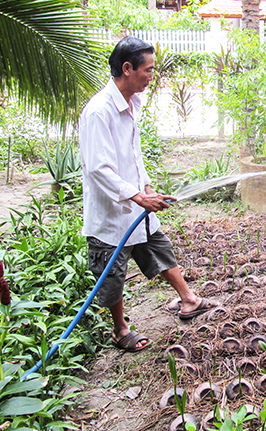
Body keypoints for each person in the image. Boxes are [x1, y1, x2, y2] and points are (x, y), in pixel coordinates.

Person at [79, 36, 216, 352]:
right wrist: (138, 197)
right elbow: (98, 169)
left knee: (159, 248)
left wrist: (147, 188)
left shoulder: (131, 103)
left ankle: (189, 299)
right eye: (148, 70)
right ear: (127, 69)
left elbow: (132, 156)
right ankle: (120, 329)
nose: (152, 76)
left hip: (136, 203)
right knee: (112, 274)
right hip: (111, 214)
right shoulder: (99, 111)